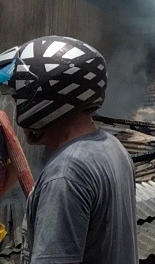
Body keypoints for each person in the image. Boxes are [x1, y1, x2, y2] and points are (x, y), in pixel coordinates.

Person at [4, 36, 137, 263]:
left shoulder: (66, 173)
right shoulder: (113, 148)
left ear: (43, 96)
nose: (17, 110)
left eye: (19, 99)